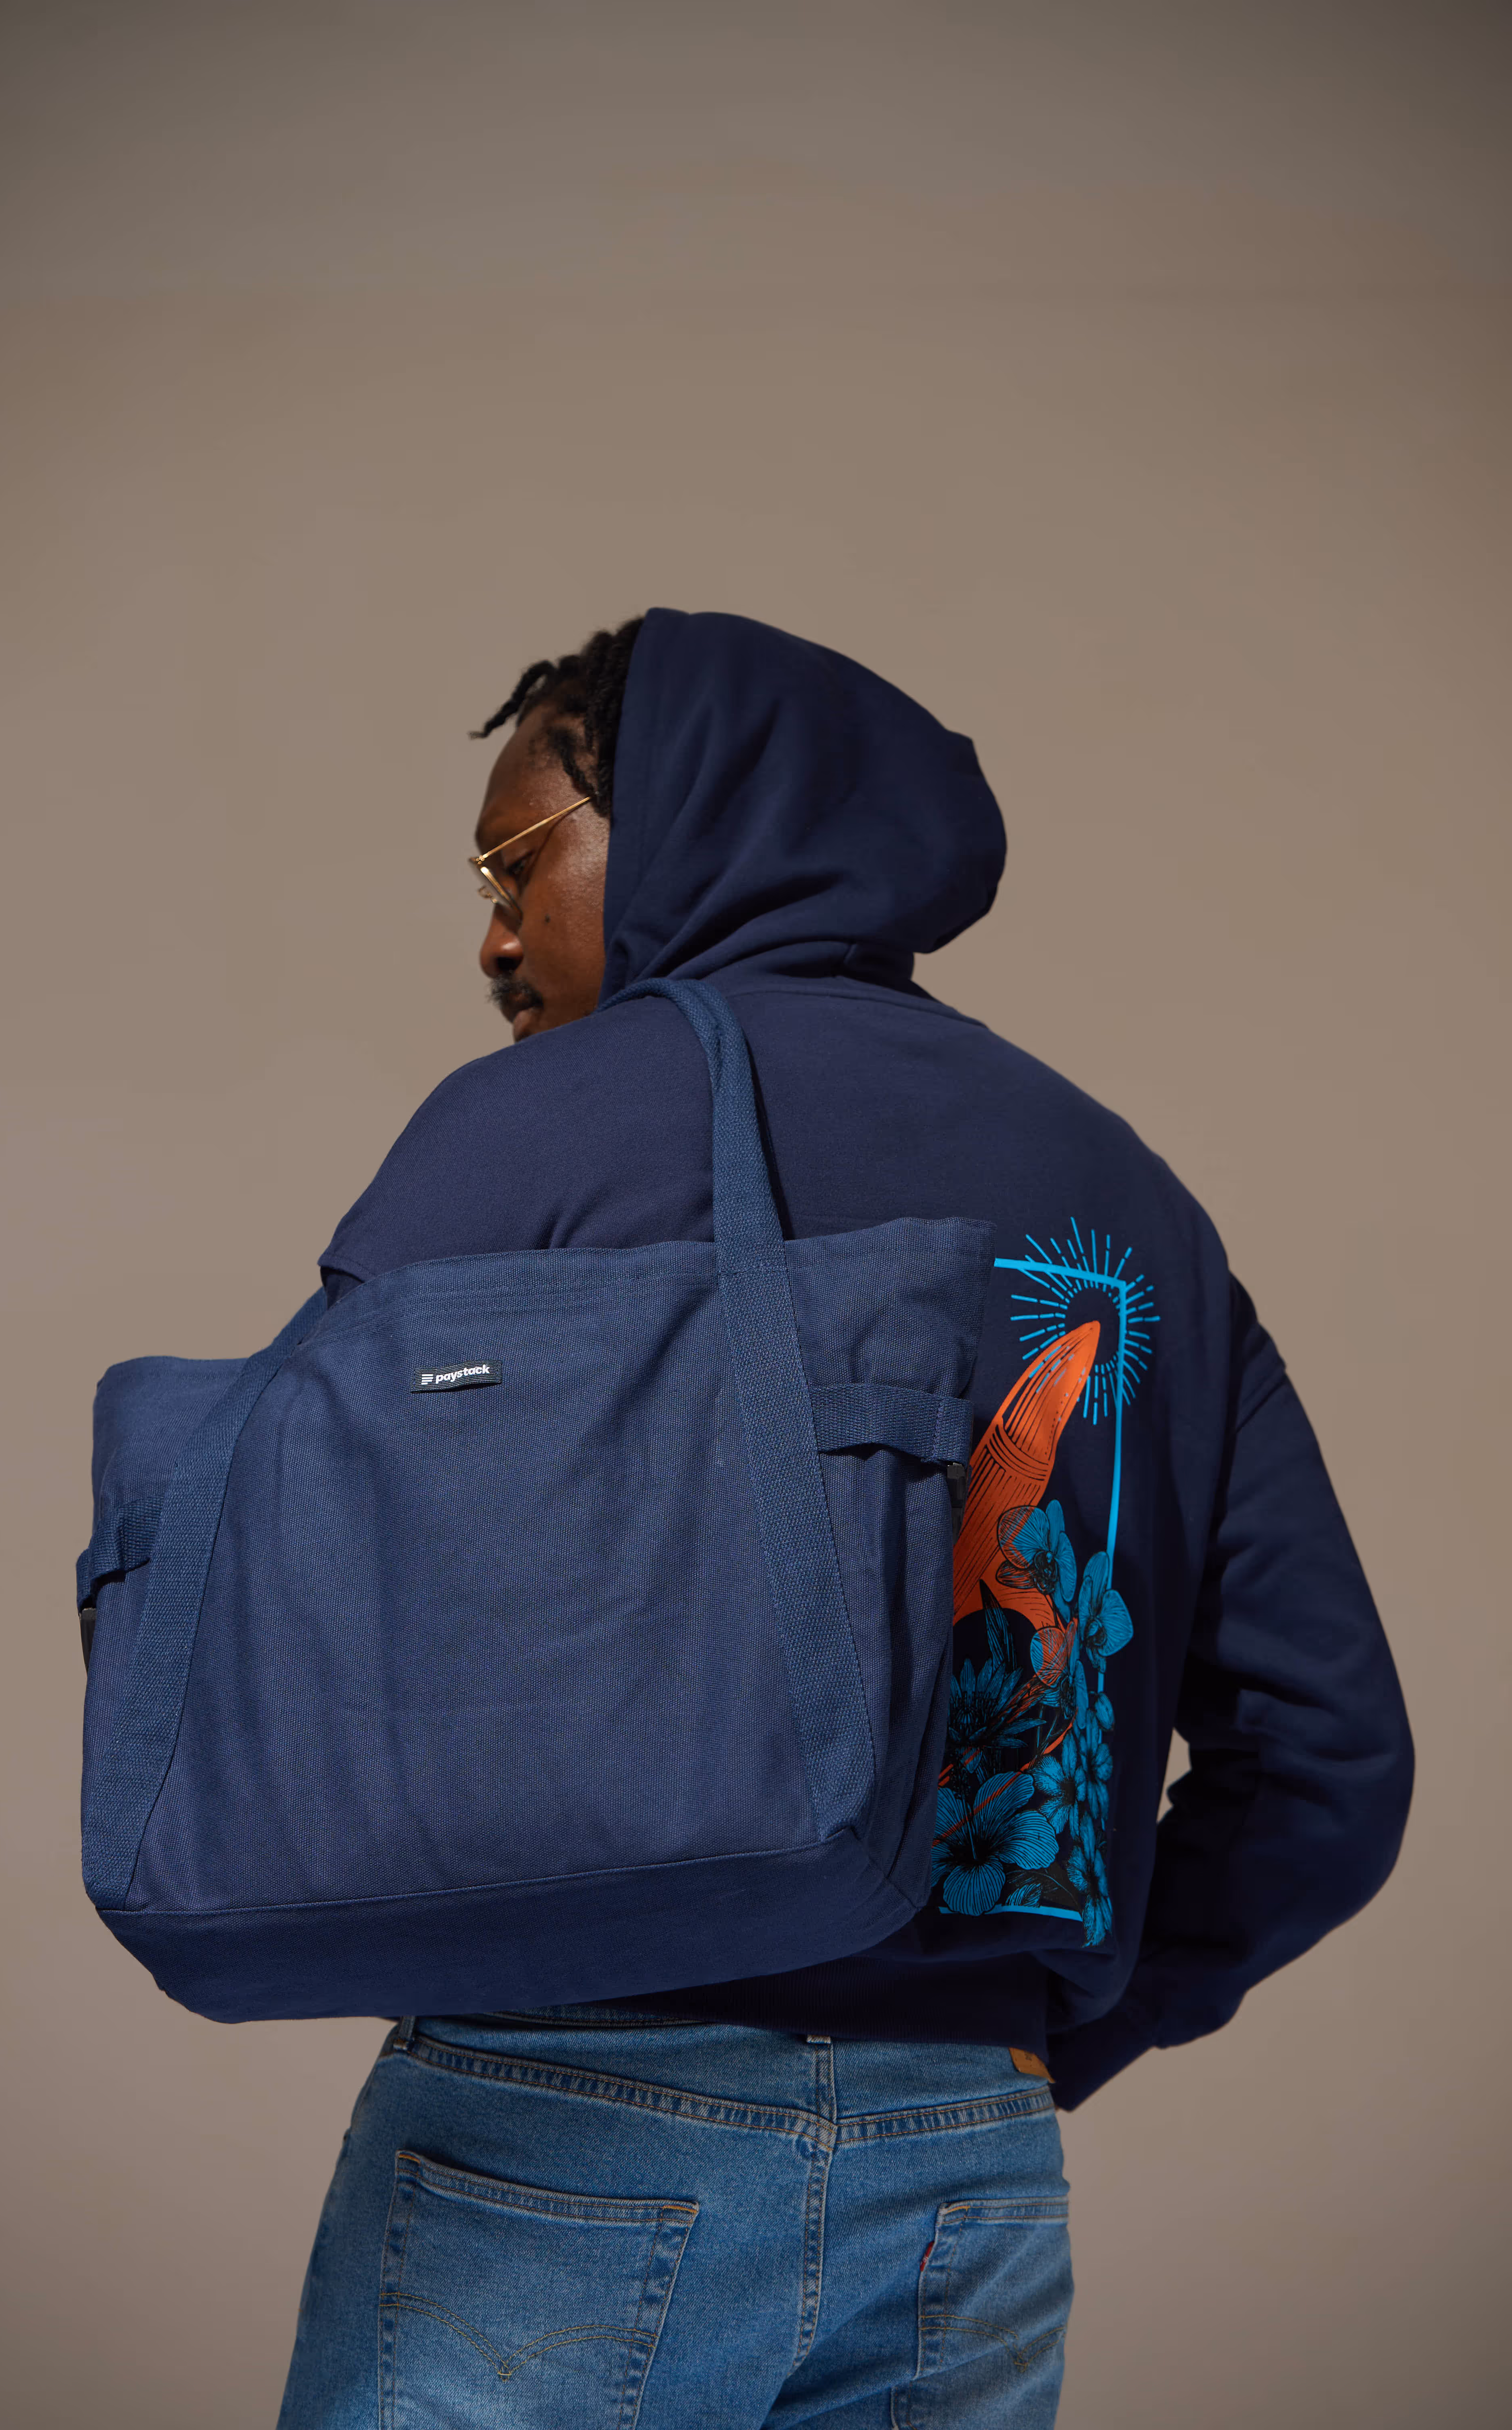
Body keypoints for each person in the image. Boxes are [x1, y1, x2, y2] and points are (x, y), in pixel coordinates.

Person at [276, 610, 1411, 2429]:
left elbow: (293, 1600)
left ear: (686, 824)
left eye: (515, 865)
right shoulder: (1127, 1192)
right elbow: (1335, 1755)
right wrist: (1048, 2031)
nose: (492, 933)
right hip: (962, 2167)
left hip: (569, 2130)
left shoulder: (531, 1132)